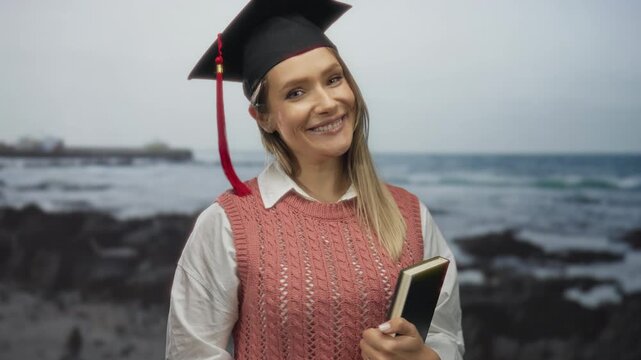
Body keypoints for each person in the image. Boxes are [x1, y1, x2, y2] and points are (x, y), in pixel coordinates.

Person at [166, 0, 464, 359]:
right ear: (264, 118)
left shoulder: (410, 214)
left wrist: (426, 357)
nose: (327, 102)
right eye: (296, 92)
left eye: (333, 79)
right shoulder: (230, 224)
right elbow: (191, 352)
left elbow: (446, 336)